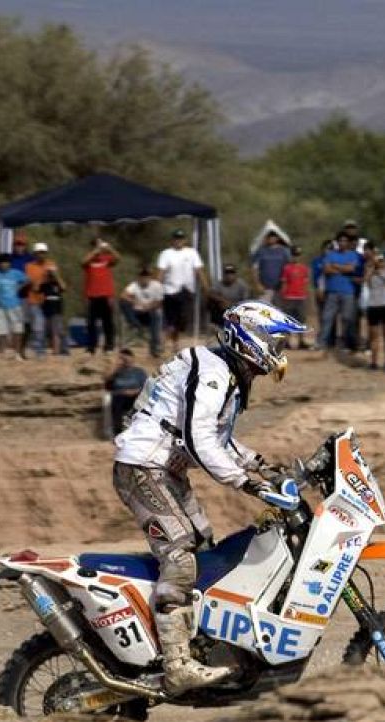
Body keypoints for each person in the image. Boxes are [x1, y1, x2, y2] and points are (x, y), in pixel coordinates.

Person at [113, 301, 306, 694]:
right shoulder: (214, 372)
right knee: (181, 554)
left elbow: (217, 438)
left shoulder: (225, 372)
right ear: (252, 338)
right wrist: (246, 483)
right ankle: (177, 665)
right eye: (276, 341)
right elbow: (199, 439)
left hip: (164, 469)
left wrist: (261, 466)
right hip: (143, 467)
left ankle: (198, 644)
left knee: (203, 545)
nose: (280, 351)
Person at [157, 229, 209, 353]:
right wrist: (156, 289)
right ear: (172, 240)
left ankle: (168, 341)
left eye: (180, 239)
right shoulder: (166, 254)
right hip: (170, 291)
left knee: (182, 320)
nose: (178, 241)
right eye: (176, 238)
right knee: (171, 320)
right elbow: (160, 273)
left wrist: (206, 287)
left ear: (184, 240)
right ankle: (171, 344)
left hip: (187, 291)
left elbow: (199, 270)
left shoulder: (191, 253)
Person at [318, 232, 361, 352]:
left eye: (345, 241)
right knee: (327, 317)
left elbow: (351, 268)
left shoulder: (353, 255)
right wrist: (343, 268)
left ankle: (346, 344)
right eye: (340, 241)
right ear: (337, 242)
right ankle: (322, 343)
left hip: (348, 291)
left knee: (347, 319)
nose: (342, 243)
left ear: (348, 243)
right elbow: (326, 270)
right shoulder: (330, 254)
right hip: (332, 291)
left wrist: (335, 266)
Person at [82, 237, 119, 355]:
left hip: (106, 295)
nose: (99, 247)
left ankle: (109, 346)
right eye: (96, 244)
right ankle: (91, 347)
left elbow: (118, 259)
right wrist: (95, 251)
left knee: (108, 322)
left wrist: (110, 249)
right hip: (92, 295)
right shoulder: (90, 259)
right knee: (91, 323)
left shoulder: (107, 258)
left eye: (100, 244)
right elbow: (82, 262)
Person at [0, 254, 28, 358]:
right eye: (1, 262)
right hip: (0, 307)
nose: (4, 265)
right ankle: (1, 352)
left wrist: (19, 287)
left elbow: (28, 280)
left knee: (17, 330)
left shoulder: (16, 273)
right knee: (2, 330)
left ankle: (17, 353)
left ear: (10, 263)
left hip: (15, 305)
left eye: (6, 262)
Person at [121, 267, 164, 357]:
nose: (144, 279)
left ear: (150, 277)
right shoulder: (134, 285)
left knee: (157, 314)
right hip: (137, 312)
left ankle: (155, 347)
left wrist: (148, 307)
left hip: (151, 312)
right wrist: (134, 302)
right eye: (142, 277)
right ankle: (136, 325)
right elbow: (123, 295)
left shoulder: (157, 286)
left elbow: (159, 302)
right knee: (124, 303)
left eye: (146, 276)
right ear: (139, 277)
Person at [103, 348, 148, 435]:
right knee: (117, 400)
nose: (124, 361)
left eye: (126, 358)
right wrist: (115, 368)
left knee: (141, 400)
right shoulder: (116, 373)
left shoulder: (139, 372)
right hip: (120, 396)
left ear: (132, 358)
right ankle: (118, 432)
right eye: (121, 359)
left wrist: (134, 391)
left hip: (136, 396)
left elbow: (146, 387)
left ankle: (140, 430)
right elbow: (106, 384)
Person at [364, 252, 385, 369]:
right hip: (373, 305)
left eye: (381, 260)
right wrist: (372, 269)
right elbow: (366, 281)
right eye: (378, 259)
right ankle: (374, 361)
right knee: (374, 335)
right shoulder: (370, 271)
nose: (379, 262)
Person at [25, 243, 54, 357]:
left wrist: (45, 279)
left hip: (48, 300)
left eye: (43, 252)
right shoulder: (29, 266)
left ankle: (42, 348)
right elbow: (29, 281)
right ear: (35, 254)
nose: (41, 255)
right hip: (34, 299)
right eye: (39, 253)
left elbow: (53, 279)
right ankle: (39, 350)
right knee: (38, 325)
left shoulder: (51, 265)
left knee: (48, 326)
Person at [280, 246, 309, 349]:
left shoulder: (304, 268)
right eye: (294, 255)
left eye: (298, 255)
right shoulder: (287, 268)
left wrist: (306, 295)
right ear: (291, 256)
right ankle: (287, 342)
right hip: (289, 297)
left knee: (301, 320)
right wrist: (283, 296)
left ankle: (301, 341)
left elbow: (305, 283)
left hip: (300, 297)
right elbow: (284, 283)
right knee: (288, 320)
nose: (296, 257)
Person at [39, 260, 69, 356]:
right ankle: (58, 349)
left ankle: (58, 351)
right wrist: (45, 276)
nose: (51, 274)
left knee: (56, 330)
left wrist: (56, 276)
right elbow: (38, 291)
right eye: (49, 272)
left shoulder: (58, 283)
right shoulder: (44, 284)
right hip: (46, 309)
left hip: (57, 310)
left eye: (52, 272)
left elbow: (64, 287)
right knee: (49, 330)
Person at [251, 231, 290, 304]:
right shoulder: (261, 251)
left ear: (278, 238)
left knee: (279, 312)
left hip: (280, 288)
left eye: (273, 236)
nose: (271, 238)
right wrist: (257, 284)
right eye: (269, 236)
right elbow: (254, 268)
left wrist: (285, 285)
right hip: (264, 288)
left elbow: (288, 268)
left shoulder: (284, 251)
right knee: (264, 312)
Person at [207, 264, 250, 329]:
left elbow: (246, 301)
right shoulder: (219, 284)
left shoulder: (242, 285)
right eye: (227, 273)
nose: (229, 275)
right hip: (223, 309)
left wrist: (231, 305)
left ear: (235, 274)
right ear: (224, 275)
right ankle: (216, 324)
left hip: (237, 309)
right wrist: (222, 300)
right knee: (211, 302)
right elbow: (210, 293)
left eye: (231, 273)